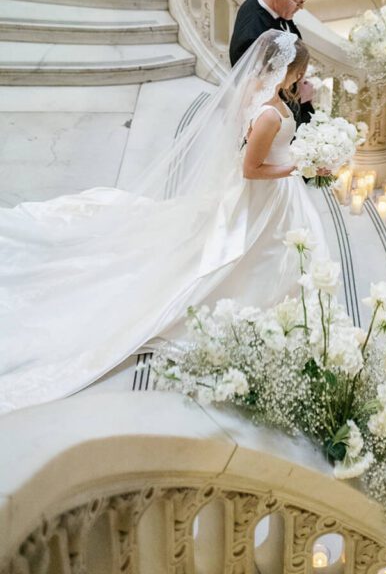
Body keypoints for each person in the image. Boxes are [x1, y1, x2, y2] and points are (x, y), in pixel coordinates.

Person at [0, 30, 328, 413]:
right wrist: (298, 165)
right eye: (300, 72)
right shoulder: (270, 113)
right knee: (252, 255)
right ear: (284, 69)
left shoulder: (257, 90)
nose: (301, 78)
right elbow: (251, 168)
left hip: (271, 195)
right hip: (263, 196)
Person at [229, 0, 314, 126]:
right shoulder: (253, 36)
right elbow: (257, 95)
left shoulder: (272, 5)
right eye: (298, 2)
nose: (301, 7)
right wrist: (301, 97)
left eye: (303, 0)